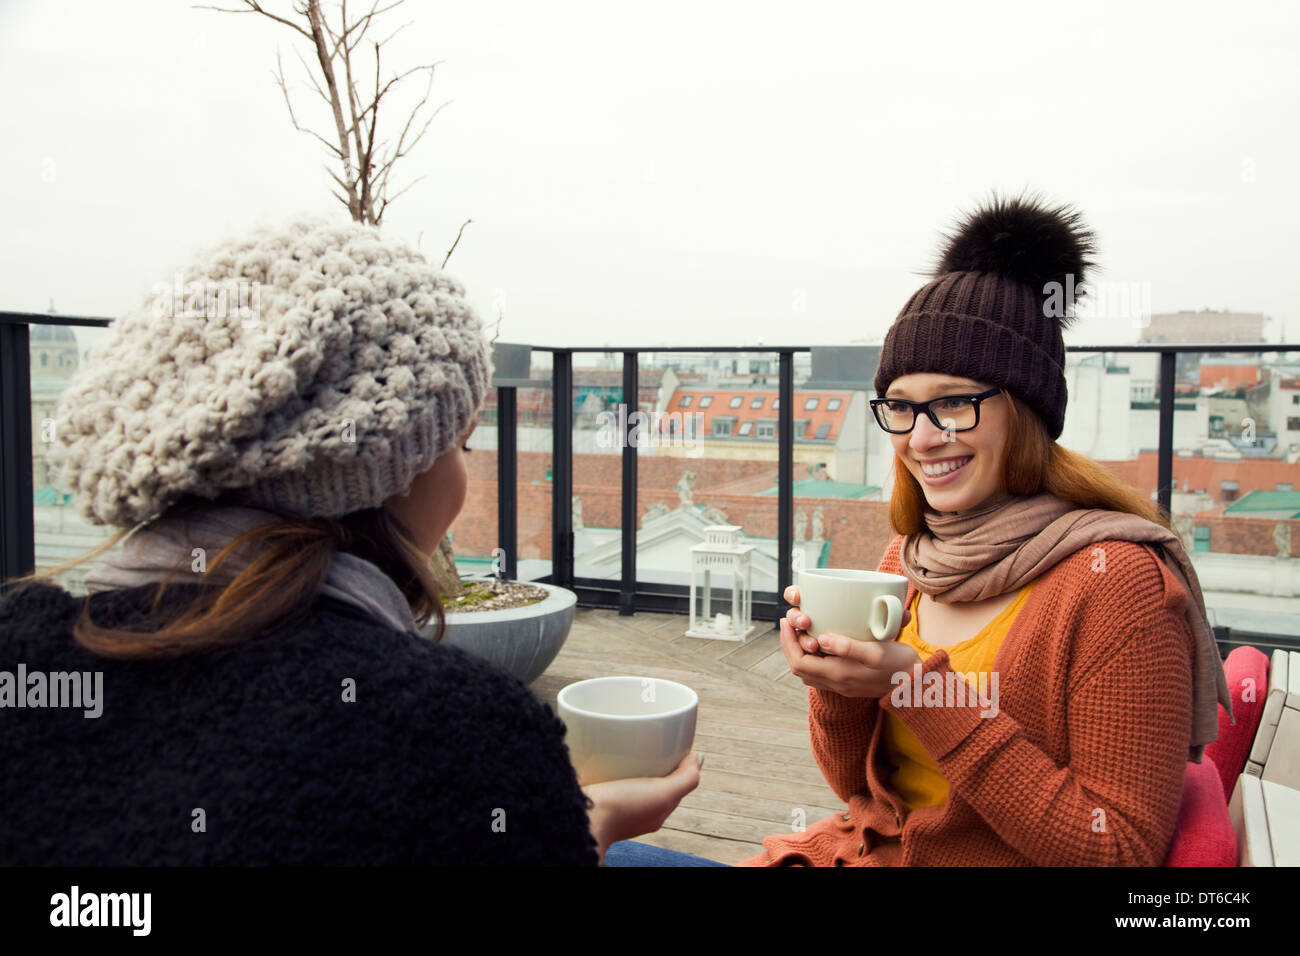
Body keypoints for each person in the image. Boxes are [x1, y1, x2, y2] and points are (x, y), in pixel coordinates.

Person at [0, 216, 702, 866]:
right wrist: (574, 826)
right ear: (390, 473)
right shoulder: (456, 737)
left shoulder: (20, 651)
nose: (465, 473)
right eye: (461, 442)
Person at [739, 192, 1233, 867]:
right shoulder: (910, 558)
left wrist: (919, 689)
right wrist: (834, 685)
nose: (923, 437)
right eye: (902, 408)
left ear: (1026, 410)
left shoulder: (1118, 584)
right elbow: (862, 792)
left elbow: (1117, 851)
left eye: (955, 402)